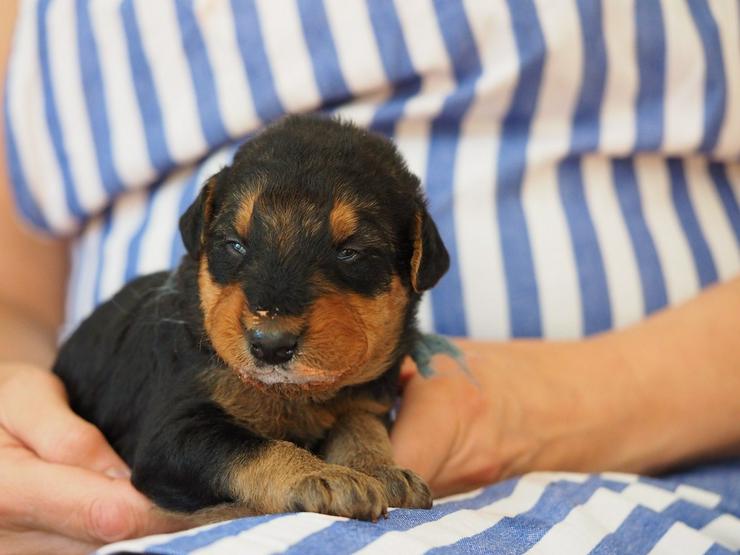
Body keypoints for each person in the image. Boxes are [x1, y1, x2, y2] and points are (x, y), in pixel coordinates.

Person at [1, 0, 738, 553]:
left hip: (676, 467)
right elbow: (18, 298)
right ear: (200, 242)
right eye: (230, 246)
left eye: (354, 257)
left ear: (414, 265)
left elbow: (357, 408)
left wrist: (522, 412)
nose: (271, 320)